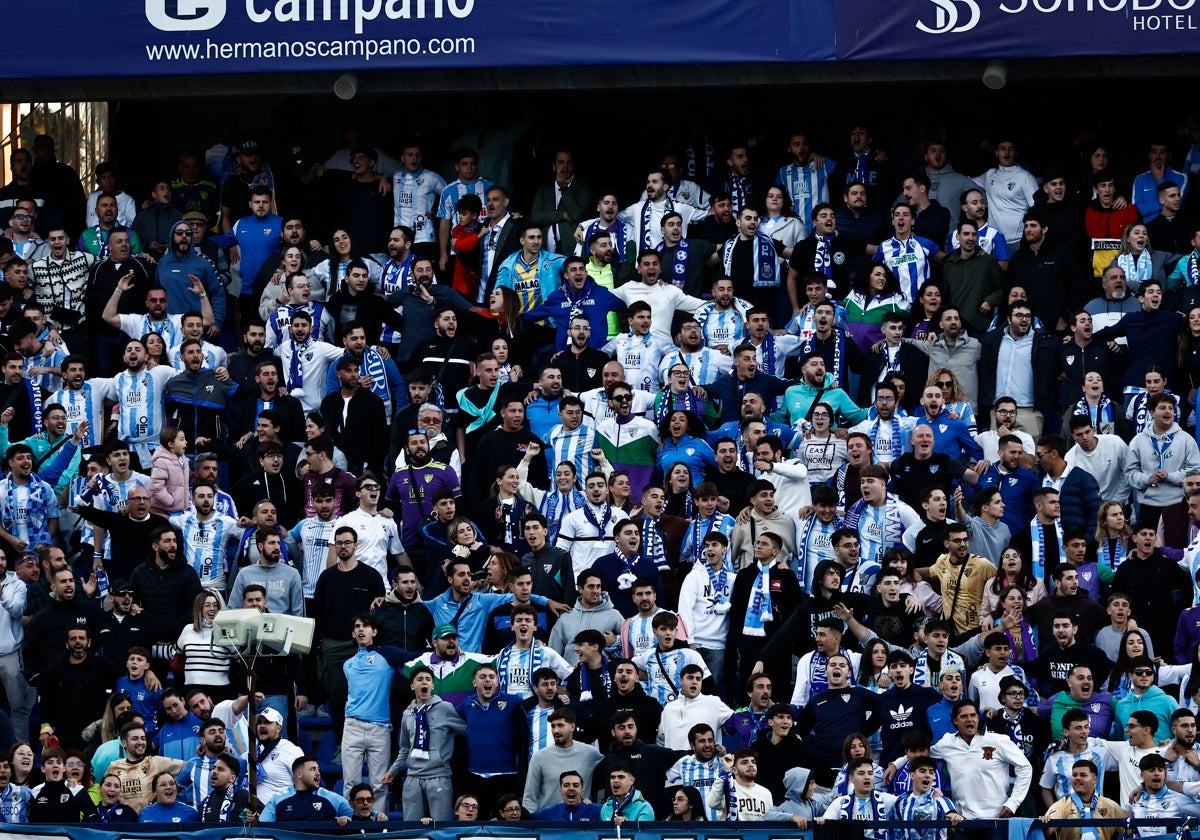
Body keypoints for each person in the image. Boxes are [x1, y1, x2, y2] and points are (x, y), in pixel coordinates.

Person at [930, 699, 1032, 818]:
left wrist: (1013, 803)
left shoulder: (998, 740)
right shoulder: (947, 742)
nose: (969, 719)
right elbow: (920, 754)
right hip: (962, 820)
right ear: (955, 720)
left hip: (996, 819)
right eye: (964, 716)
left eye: (973, 715)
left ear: (978, 718)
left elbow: (1025, 767)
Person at [522, 708, 603, 813]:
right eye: (553, 726)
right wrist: (532, 824)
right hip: (548, 822)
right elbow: (529, 798)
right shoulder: (539, 757)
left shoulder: (591, 754)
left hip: (581, 822)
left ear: (572, 726)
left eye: (560, 725)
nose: (556, 731)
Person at [1039, 759, 1126, 840]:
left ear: (1094, 779)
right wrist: (1044, 822)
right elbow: (1044, 831)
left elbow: (1130, 832)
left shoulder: (1110, 806)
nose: (1078, 778)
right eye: (1074, 775)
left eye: (1083, 775)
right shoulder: (1062, 805)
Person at [707, 749, 773, 821]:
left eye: (753, 762)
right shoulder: (727, 787)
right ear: (734, 770)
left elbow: (769, 822)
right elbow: (713, 804)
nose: (751, 765)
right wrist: (725, 769)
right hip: (732, 832)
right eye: (744, 762)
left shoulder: (766, 793)